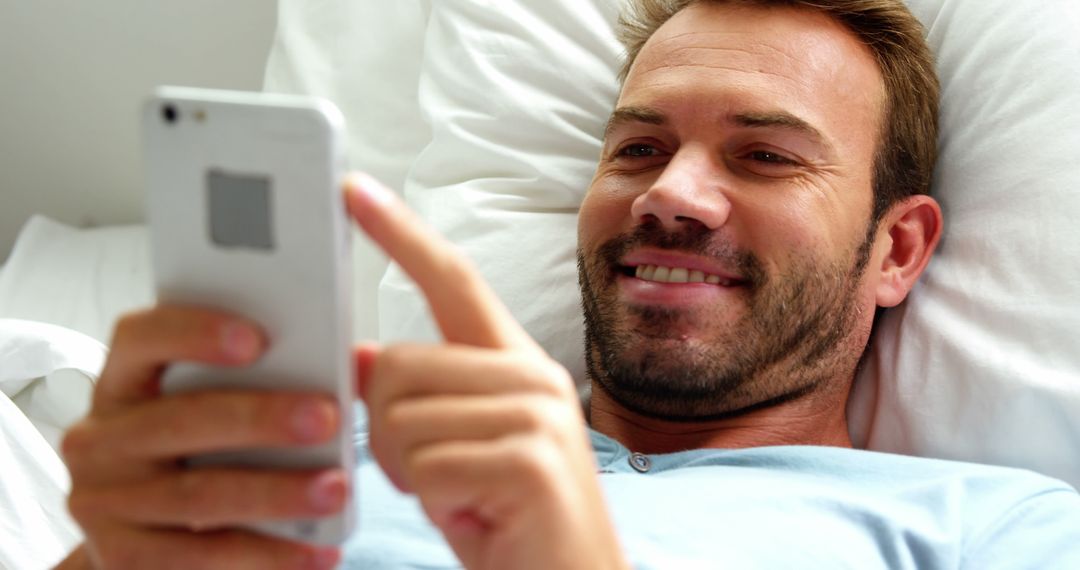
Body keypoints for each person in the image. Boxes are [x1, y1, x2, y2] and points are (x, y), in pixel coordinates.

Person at [57, 0, 1080, 568]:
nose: (670, 196)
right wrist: (110, 555)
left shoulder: (995, 528)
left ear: (898, 249)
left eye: (764, 157)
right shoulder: (337, 445)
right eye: (638, 148)